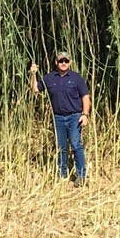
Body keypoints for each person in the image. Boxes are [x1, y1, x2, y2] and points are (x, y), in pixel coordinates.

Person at [28, 52, 91, 185]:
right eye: (61, 60)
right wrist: (33, 74)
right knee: (61, 147)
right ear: (56, 62)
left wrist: (85, 115)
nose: (63, 63)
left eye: (66, 61)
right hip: (58, 117)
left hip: (75, 117)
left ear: (70, 62)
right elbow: (35, 89)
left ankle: (81, 176)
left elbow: (85, 97)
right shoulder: (50, 78)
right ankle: (62, 176)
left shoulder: (76, 78)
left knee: (76, 145)